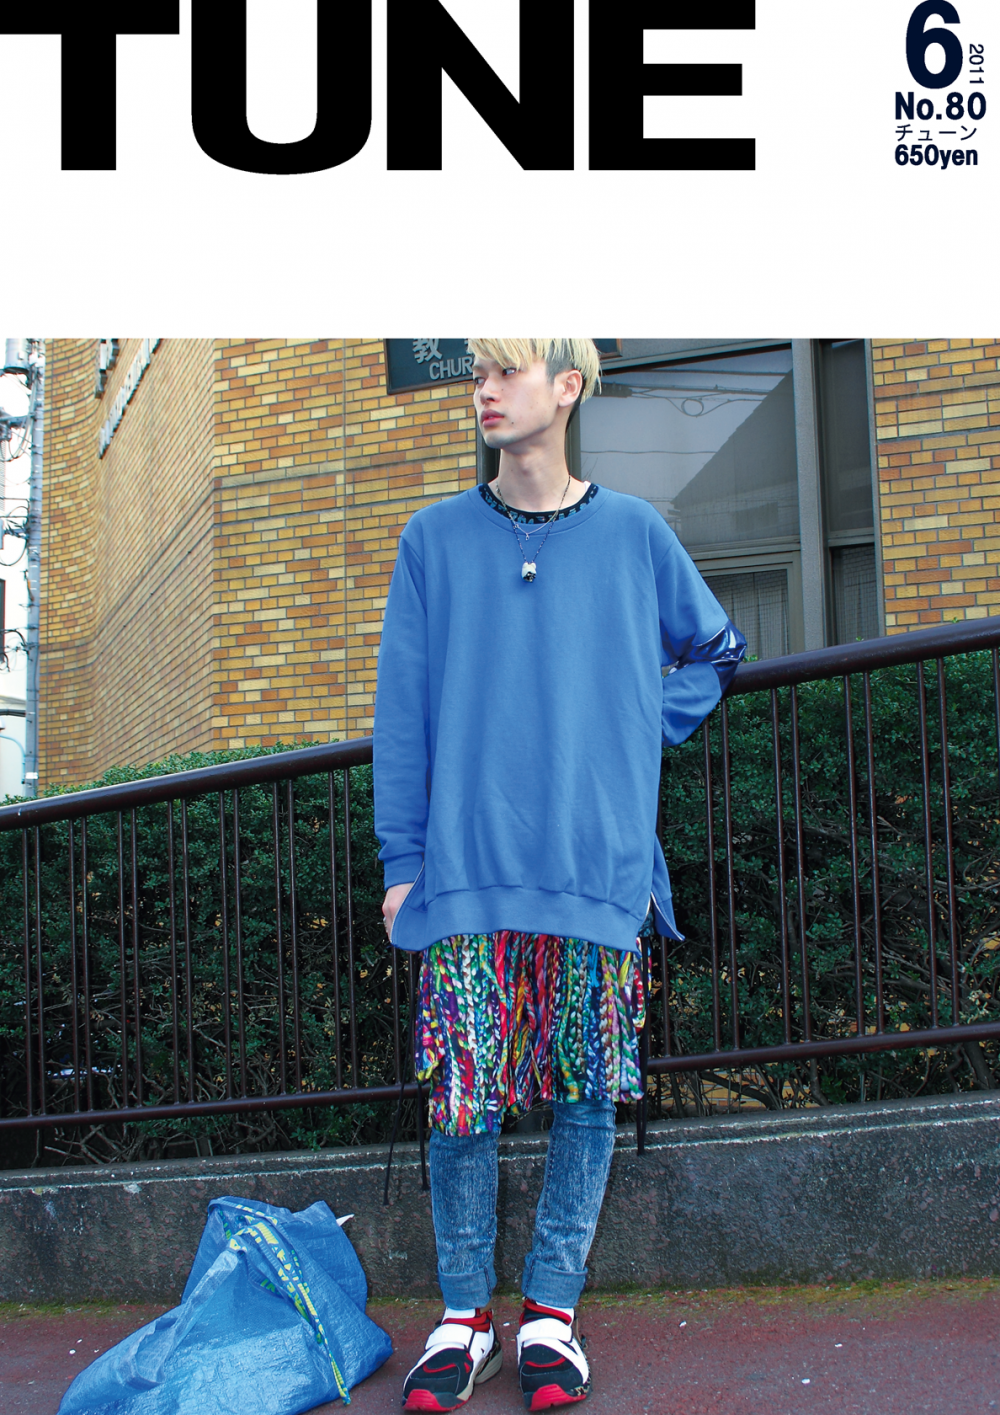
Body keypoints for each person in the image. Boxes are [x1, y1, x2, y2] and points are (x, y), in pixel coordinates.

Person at [373, 338, 745, 1412]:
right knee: (462, 1096)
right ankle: (462, 1314)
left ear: (567, 387)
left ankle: (551, 1311)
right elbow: (402, 715)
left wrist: (633, 718)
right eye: (476, 373)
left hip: (596, 860)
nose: (484, 390)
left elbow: (715, 650)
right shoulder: (433, 539)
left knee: (587, 1089)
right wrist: (402, 860)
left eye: (507, 371)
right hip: (467, 867)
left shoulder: (633, 532)